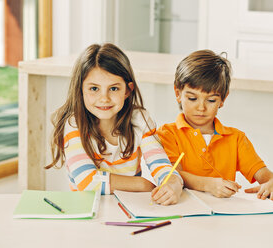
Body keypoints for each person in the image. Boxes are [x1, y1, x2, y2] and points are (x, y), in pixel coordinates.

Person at [46, 43, 183, 205]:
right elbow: (87, 181)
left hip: (129, 208)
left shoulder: (140, 120)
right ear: (80, 89)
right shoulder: (74, 124)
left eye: (113, 89)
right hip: (87, 212)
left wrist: (173, 183)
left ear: (127, 90)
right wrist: (142, 184)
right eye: (94, 89)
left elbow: (160, 165)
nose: (104, 98)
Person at [157, 49, 273, 200]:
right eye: (192, 98)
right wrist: (208, 185)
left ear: (223, 99)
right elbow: (173, 175)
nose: (201, 107)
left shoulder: (236, 138)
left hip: (224, 215)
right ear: (178, 94)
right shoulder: (167, 133)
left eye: (211, 100)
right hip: (183, 210)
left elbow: (266, 176)